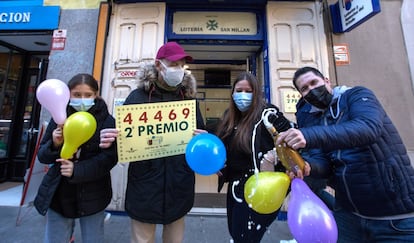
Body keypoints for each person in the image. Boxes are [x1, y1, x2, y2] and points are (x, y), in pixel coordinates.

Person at [276, 66, 414, 242]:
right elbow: (324, 163)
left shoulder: (357, 96)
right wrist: (309, 167)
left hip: (395, 217)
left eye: (314, 83)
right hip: (348, 214)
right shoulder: (311, 117)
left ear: (327, 81)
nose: (311, 90)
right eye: (304, 88)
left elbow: (367, 128)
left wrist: (308, 136)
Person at [100, 42, 205, 243]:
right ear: (158, 65)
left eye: (182, 65)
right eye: (174, 64)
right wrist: (109, 139)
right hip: (145, 185)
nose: (179, 70)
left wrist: (201, 139)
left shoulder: (189, 100)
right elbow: (121, 140)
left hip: (178, 183)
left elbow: (199, 139)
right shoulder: (136, 98)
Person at [34, 73, 118, 243]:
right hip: (59, 193)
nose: (82, 100)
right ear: (68, 94)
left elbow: (109, 159)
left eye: (88, 95)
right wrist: (55, 144)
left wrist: (76, 170)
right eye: (77, 95)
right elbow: (42, 155)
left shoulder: (107, 121)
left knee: (93, 238)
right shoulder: (59, 116)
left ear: (96, 95)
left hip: (94, 194)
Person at [212, 71, 294, 243]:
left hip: (259, 187)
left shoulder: (269, 115)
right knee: (236, 233)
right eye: (239, 90)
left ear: (256, 93)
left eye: (248, 91)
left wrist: (271, 159)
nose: (243, 95)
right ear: (232, 93)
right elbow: (224, 146)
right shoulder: (229, 116)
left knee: (246, 237)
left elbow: (292, 144)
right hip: (235, 186)